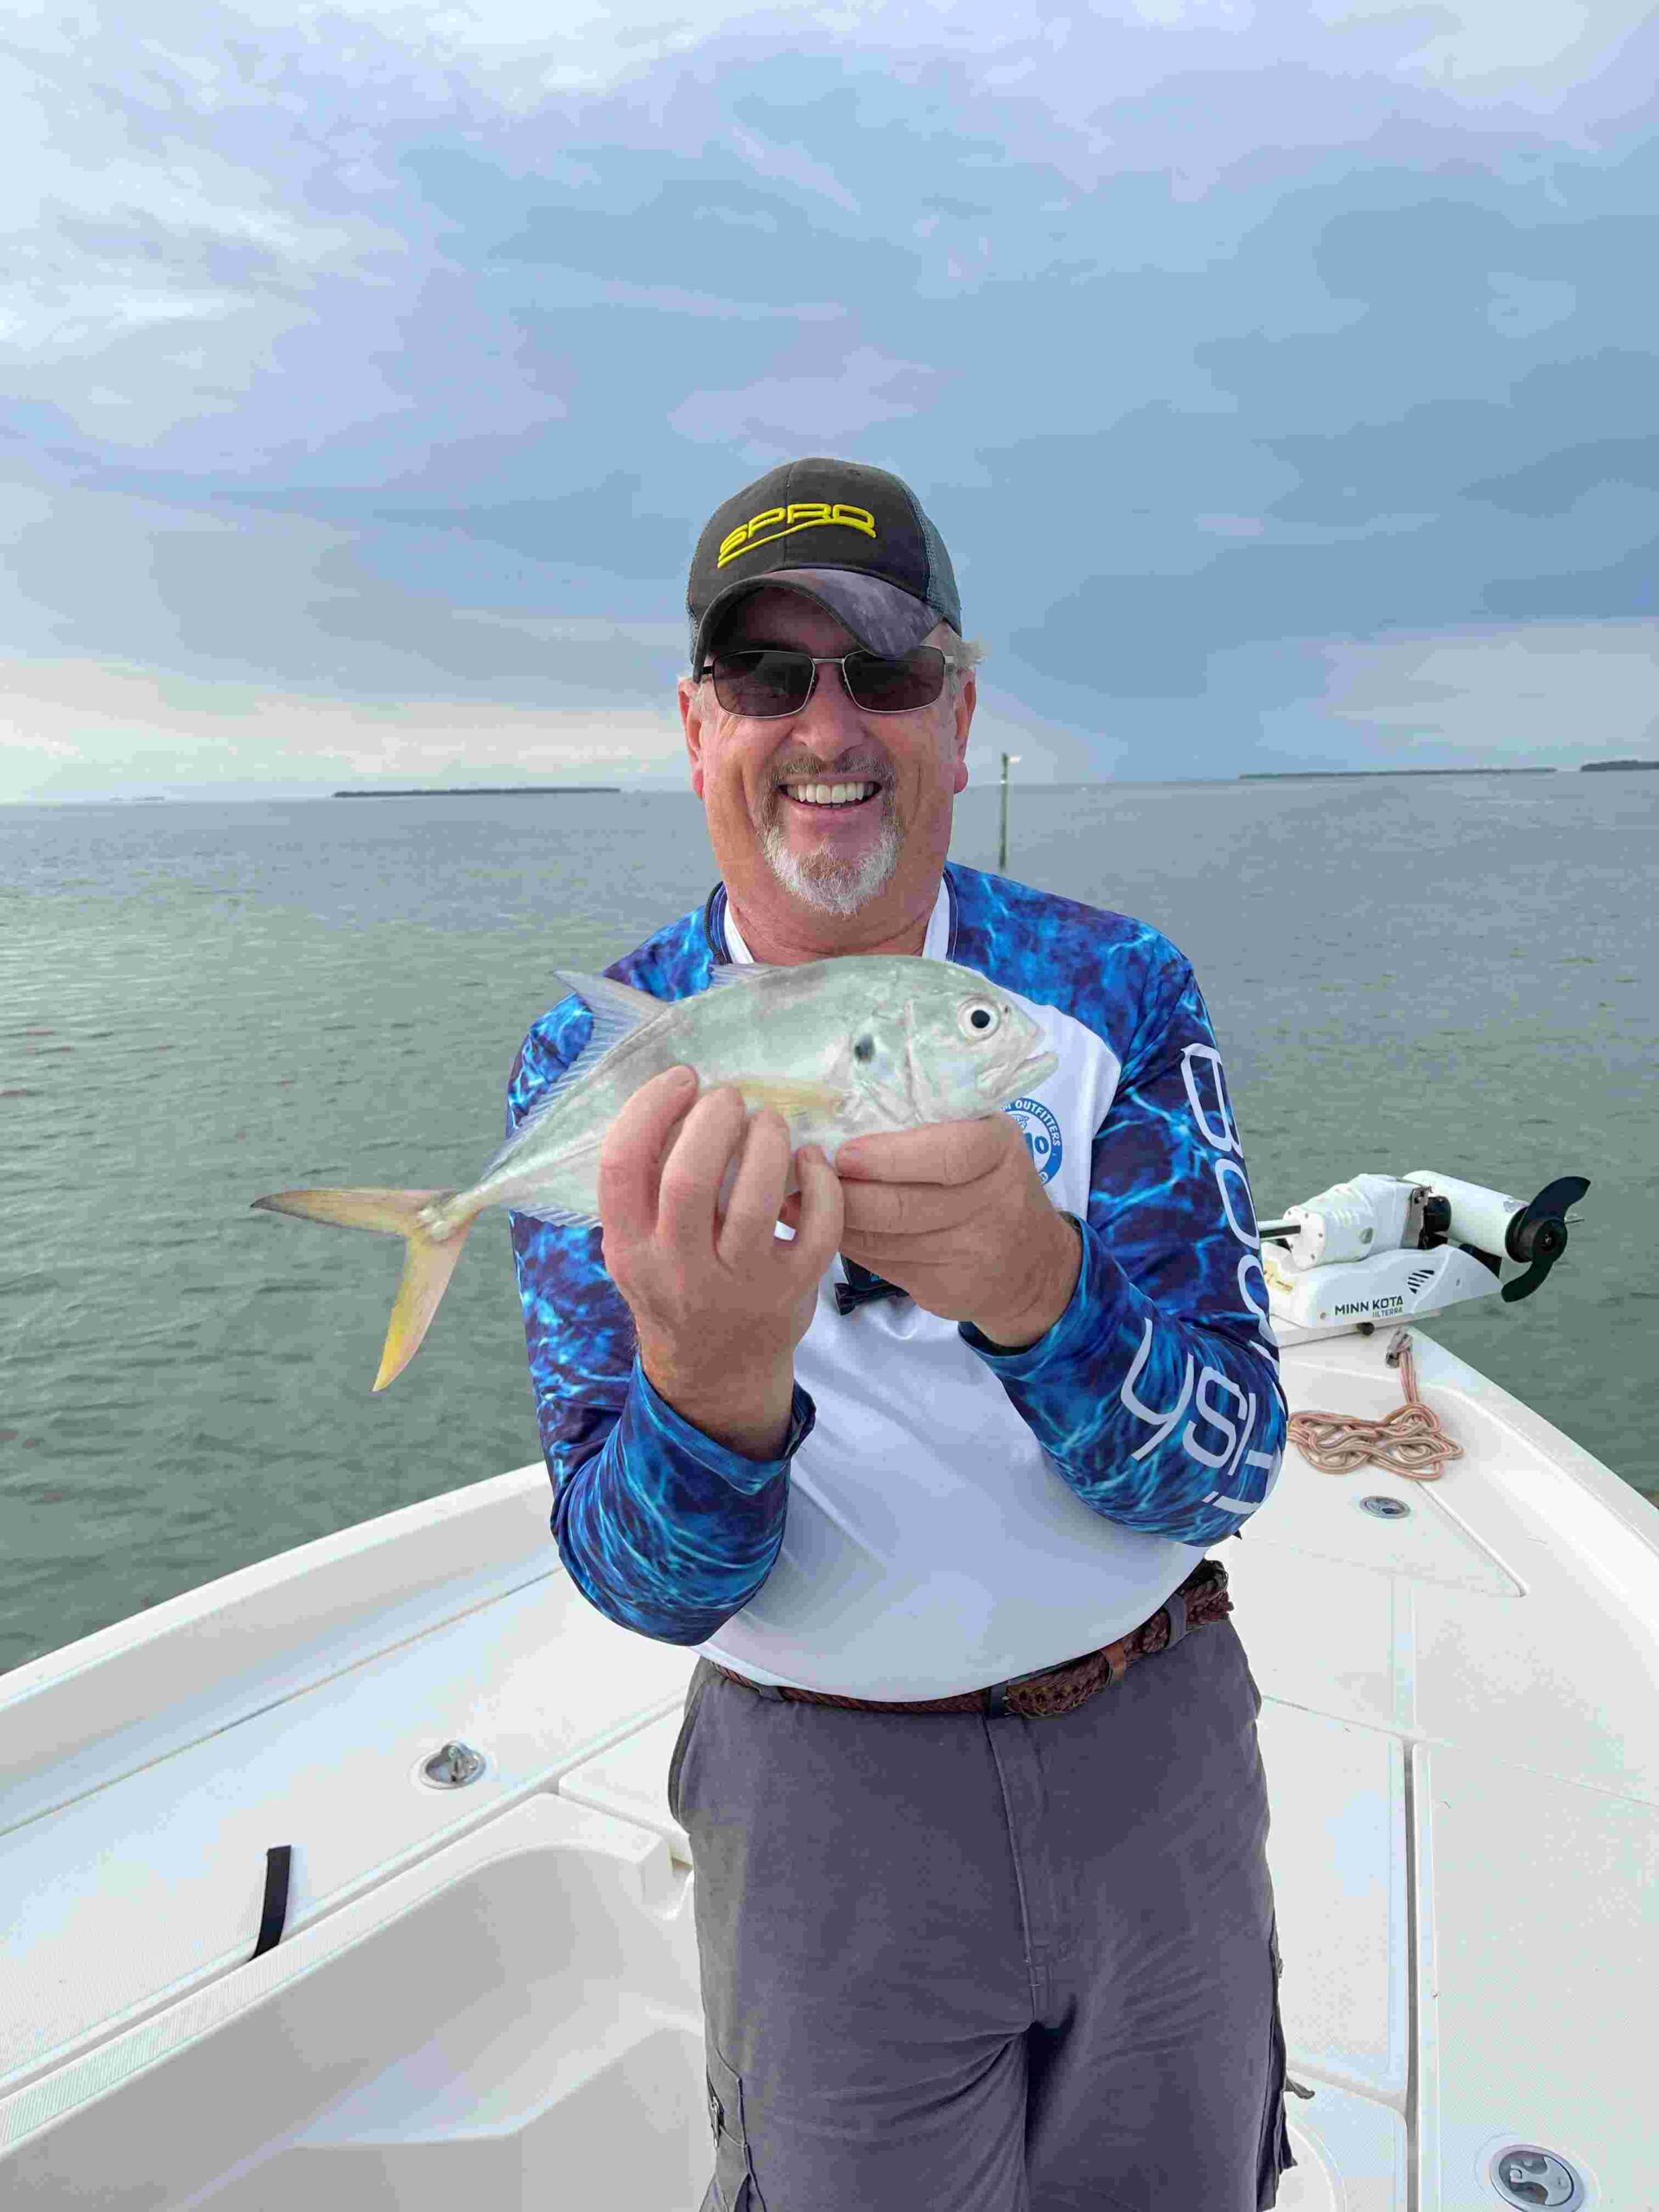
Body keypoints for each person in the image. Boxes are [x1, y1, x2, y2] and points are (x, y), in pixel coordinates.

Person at [506, 456, 1295, 2210]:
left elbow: (1232, 1465)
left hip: (1155, 1757)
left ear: (959, 709)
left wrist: (1043, 1292)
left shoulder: (1108, 995)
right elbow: (639, 1582)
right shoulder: (599, 1066)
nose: (827, 724)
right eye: (765, 673)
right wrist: (712, 1389)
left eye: (881, 667)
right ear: (697, 726)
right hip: (822, 1814)